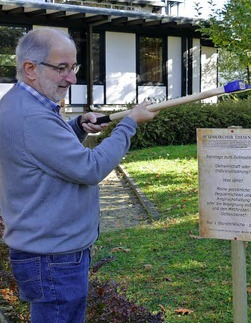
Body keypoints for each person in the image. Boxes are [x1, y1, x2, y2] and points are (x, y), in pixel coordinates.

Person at [0, 27, 158, 322]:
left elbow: (42, 153)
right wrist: (129, 124)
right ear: (30, 69)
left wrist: (75, 127)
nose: (72, 78)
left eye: (74, 67)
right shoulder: (33, 117)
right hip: (53, 258)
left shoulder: (18, 103)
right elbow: (91, 168)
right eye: (62, 68)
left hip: (45, 250)